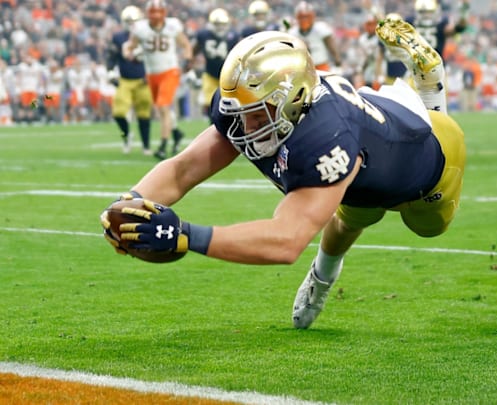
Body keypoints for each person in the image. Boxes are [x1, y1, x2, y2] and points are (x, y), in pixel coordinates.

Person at [100, 20, 465, 330]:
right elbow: (183, 169)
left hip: (429, 159)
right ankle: (322, 281)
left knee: (427, 227)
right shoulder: (253, 107)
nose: (245, 125)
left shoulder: (329, 136)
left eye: (258, 115)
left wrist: (185, 236)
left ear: (293, 101)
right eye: (242, 112)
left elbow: (286, 239)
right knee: (349, 217)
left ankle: (431, 93)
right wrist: (129, 202)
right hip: (370, 138)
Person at [123, 0, 193, 160]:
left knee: (162, 107)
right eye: (152, 12)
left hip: (169, 71)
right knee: (161, 110)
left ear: (164, 13)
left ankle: (163, 145)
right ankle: (176, 133)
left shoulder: (172, 26)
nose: (155, 16)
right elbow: (130, 46)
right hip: (151, 73)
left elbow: (186, 45)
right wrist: (129, 53)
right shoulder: (140, 28)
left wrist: (187, 60)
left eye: (158, 12)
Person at [108, 5, 153, 154]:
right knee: (118, 113)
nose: (131, 24)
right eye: (128, 21)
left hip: (143, 80)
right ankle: (127, 136)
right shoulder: (118, 37)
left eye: (134, 21)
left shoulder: (148, 34)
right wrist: (110, 71)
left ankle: (146, 146)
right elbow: (112, 57)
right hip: (125, 80)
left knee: (144, 114)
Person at [192, 7, 240, 118]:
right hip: (210, 74)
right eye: (217, 24)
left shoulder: (233, 36)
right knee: (210, 103)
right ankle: (212, 125)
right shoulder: (203, 35)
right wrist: (190, 63)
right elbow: (194, 50)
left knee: (231, 102)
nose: (220, 27)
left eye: (222, 24)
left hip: (229, 76)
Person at [287, 1, 342, 72]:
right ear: (297, 18)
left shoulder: (321, 28)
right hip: (301, 69)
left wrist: (338, 61)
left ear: (312, 17)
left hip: (321, 67)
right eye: (302, 17)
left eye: (307, 17)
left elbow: (331, 46)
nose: (304, 20)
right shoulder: (292, 33)